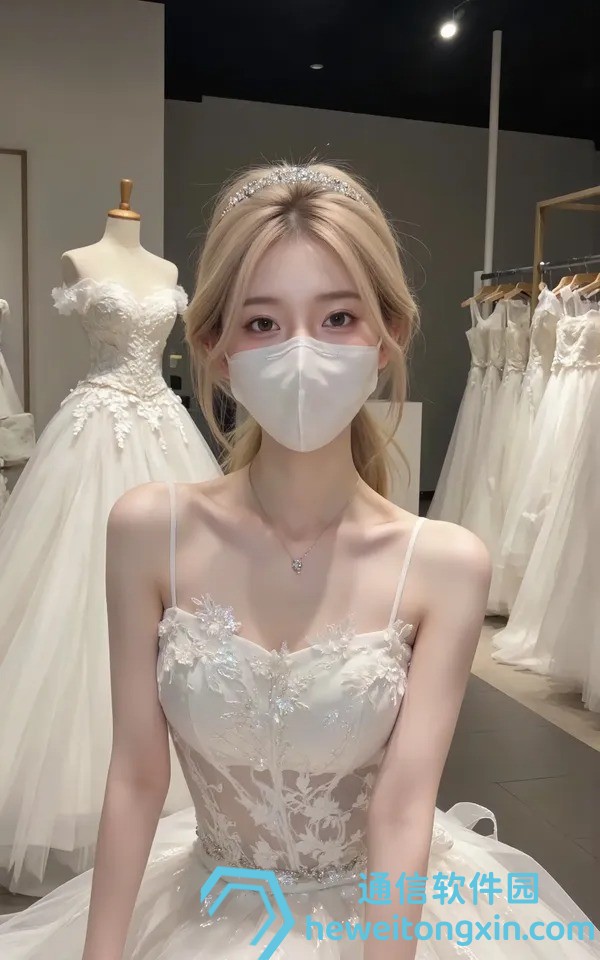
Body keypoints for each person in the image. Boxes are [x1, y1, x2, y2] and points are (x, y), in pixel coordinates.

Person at [0, 163, 597, 959]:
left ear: (388, 336)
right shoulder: (149, 531)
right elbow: (138, 776)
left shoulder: (444, 566)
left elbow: (401, 809)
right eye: (262, 323)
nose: (302, 353)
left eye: (339, 317)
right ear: (214, 348)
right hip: (204, 905)